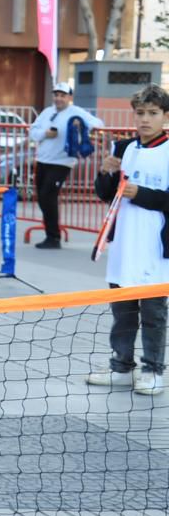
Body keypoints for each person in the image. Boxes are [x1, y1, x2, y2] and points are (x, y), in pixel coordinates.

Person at [86, 84, 169, 396]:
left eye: (153, 113)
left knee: (153, 311)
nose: (145, 119)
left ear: (165, 117)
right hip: (124, 244)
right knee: (122, 309)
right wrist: (106, 174)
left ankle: (152, 370)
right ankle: (121, 367)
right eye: (140, 113)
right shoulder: (123, 148)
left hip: (155, 248)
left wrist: (142, 194)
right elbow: (105, 195)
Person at [29, 82, 104, 249]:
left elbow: (98, 123)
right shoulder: (47, 112)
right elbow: (32, 131)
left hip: (62, 162)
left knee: (48, 195)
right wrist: (45, 134)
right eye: (56, 95)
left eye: (62, 95)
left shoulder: (75, 112)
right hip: (43, 160)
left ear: (69, 97)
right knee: (42, 197)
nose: (59, 98)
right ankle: (51, 232)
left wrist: (81, 125)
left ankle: (53, 237)